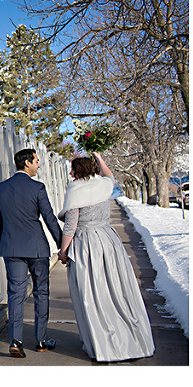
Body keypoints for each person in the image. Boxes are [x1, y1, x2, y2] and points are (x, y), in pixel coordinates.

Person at [57, 153, 155, 362]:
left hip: (87, 244)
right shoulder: (104, 184)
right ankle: (131, 339)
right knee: (115, 289)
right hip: (108, 240)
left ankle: (104, 344)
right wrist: (99, 157)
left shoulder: (76, 190)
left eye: (73, 169)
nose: (70, 173)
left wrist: (63, 251)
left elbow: (71, 225)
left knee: (92, 293)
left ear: (79, 171)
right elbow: (110, 175)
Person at [0, 148, 63, 358]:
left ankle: (15, 341)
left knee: (16, 293)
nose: (39, 165)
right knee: (41, 292)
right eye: (37, 161)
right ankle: (41, 340)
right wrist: (62, 245)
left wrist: (0, 244)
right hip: (36, 248)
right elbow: (49, 217)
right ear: (27, 163)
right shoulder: (37, 187)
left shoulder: (1, 188)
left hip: (11, 247)